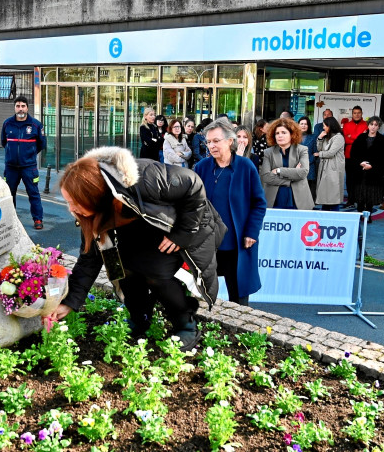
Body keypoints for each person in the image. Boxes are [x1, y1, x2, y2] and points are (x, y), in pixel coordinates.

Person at [48, 147, 226, 351]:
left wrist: (183, 233)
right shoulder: (92, 214)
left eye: (75, 203)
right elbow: (89, 258)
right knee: (121, 268)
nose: (71, 209)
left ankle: (185, 324)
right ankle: (140, 317)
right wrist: (70, 302)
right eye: (68, 202)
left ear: (95, 196)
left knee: (157, 273)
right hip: (136, 226)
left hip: (177, 225)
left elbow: (192, 184)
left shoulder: (142, 177)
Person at [193, 120, 267, 306]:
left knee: (239, 295)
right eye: (208, 142)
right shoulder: (201, 167)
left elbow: (259, 203)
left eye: (216, 141)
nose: (211, 146)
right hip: (208, 242)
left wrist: (252, 232)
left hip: (237, 242)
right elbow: (192, 203)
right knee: (201, 294)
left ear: (230, 141)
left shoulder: (245, 167)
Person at [1, 95, 47, 230]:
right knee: (9, 194)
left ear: (27, 107)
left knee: (33, 193)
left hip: (29, 167)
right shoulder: (7, 124)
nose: (20, 109)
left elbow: (41, 144)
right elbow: (4, 142)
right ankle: (11, 219)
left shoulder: (36, 125)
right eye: (17, 106)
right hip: (11, 168)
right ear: (14, 108)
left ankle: (38, 219)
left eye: (23, 106)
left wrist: (29, 155)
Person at [260, 117, 314, 210]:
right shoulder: (268, 152)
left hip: (298, 200)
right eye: (277, 133)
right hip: (274, 199)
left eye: (284, 132)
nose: (280, 136)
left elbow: (303, 172)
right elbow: (266, 176)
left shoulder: (302, 150)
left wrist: (279, 170)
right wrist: (291, 178)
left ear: (292, 134)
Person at [349, 116, 384, 218]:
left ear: (379, 127)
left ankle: (368, 216)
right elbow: (353, 153)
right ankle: (359, 214)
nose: (373, 127)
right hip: (360, 172)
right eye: (371, 124)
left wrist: (371, 166)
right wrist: (360, 163)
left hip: (374, 173)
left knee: (370, 196)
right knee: (360, 194)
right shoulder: (361, 138)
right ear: (368, 125)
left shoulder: (382, 140)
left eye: (376, 125)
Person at [314, 116, 345, 210]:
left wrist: (319, 154)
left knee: (332, 195)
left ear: (330, 126)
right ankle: (325, 214)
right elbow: (319, 148)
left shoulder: (339, 137)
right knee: (325, 194)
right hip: (325, 167)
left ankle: (334, 216)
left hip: (333, 168)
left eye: (325, 126)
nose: (323, 128)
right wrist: (320, 138)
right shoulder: (327, 137)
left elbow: (331, 153)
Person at [342, 106, 368, 208]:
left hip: (362, 155)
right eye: (355, 113)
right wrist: (358, 136)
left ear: (362, 114)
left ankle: (360, 199)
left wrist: (351, 136)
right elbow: (346, 140)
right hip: (348, 155)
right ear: (352, 114)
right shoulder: (347, 125)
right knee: (349, 179)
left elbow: (364, 139)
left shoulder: (366, 125)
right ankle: (351, 199)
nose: (357, 115)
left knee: (360, 179)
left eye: (358, 113)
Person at [298, 116, 317, 200]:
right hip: (296, 167)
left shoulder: (313, 137)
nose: (303, 126)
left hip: (310, 166)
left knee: (310, 188)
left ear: (309, 126)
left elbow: (315, 153)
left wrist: (306, 163)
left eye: (305, 124)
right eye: (301, 124)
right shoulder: (293, 137)